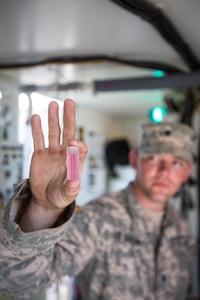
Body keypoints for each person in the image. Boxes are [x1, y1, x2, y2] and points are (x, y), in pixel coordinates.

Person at [0, 98, 197, 300]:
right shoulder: (98, 218)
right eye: (153, 158)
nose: (164, 171)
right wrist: (42, 209)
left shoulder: (179, 226)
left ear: (186, 172)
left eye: (176, 163)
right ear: (134, 160)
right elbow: (15, 283)